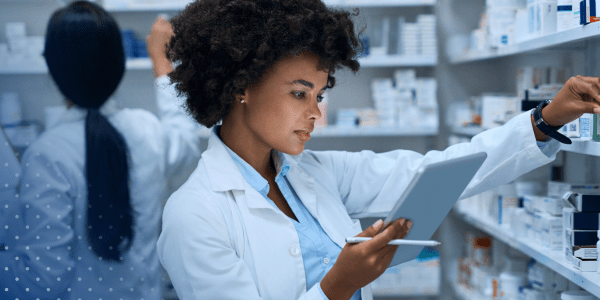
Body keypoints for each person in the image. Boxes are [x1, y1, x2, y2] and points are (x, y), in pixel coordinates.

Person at [156, 0, 600, 299]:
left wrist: (545, 120)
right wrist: (338, 287)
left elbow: (440, 170)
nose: (315, 113)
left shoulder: (311, 173)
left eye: (319, 95)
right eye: (298, 94)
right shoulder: (193, 214)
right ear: (241, 87)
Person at [0, 2, 201, 300]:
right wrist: (162, 61)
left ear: (53, 67)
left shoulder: (48, 153)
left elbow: (44, 279)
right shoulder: (147, 131)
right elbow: (187, 138)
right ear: (118, 64)